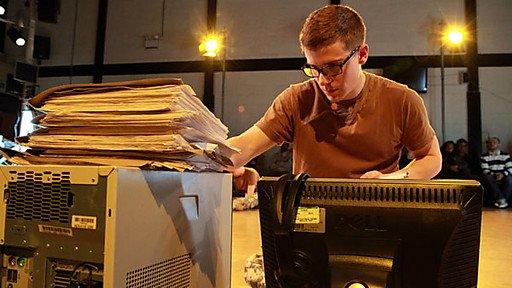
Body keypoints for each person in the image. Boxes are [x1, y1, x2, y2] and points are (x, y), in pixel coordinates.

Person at [228, 5, 441, 190]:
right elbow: (244, 146)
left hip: (377, 219)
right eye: (314, 68)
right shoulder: (296, 99)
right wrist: (206, 153)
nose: (322, 80)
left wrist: (391, 180)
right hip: (310, 220)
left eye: (333, 67)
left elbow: (431, 158)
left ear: (362, 54)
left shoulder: (402, 100)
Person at [480, 137, 512, 208]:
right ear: (487, 145)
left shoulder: (505, 155)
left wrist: (502, 174)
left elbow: (510, 168)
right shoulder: (484, 156)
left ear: (498, 144)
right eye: (490, 143)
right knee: (487, 178)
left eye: (494, 142)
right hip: (492, 175)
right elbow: (485, 170)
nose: (492, 144)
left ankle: (502, 201)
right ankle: (501, 200)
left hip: (504, 175)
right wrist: (495, 174)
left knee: (510, 179)